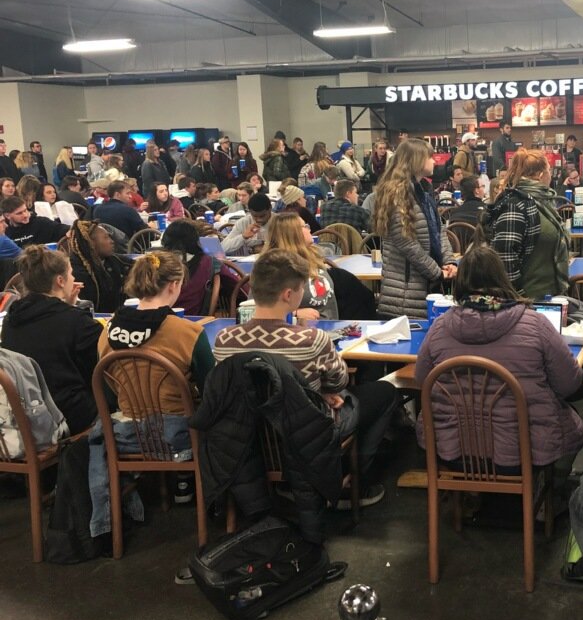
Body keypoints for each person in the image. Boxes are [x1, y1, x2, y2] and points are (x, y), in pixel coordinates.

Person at [213, 249, 397, 507]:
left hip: (249, 435)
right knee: (384, 393)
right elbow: (340, 381)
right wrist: (322, 392)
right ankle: (355, 481)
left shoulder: (224, 340)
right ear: (289, 295)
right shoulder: (311, 340)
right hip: (306, 436)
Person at [414, 245, 583, 470]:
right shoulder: (535, 324)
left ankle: (466, 494)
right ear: (503, 278)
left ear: (460, 283)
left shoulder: (439, 328)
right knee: (571, 421)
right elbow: (569, 384)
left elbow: (422, 381)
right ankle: (552, 492)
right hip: (525, 452)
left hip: (454, 450)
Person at [94, 250, 215, 510]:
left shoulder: (106, 333)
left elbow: (111, 390)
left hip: (126, 433)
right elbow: (211, 390)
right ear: (174, 285)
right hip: (180, 435)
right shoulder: (188, 332)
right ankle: (203, 489)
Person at [1, 246, 102, 434]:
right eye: (71, 274)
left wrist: (66, 307)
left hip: (24, 418)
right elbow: (99, 374)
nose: (74, 279)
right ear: (60, 280)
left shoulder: (10, 320)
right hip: (68, 416)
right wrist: (71, 311)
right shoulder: (78, 323)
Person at [374, 139, 456, 317]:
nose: (435, 161)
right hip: (405, 295)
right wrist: (437, 272)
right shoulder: (396, 193)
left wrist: (449, 261)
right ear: (417, 160)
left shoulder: (424, 191)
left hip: (427, 287)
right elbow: (407, 244)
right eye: (430, 157)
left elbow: (439, 230)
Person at [481, 149, 569, 300]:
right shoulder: (515, 204)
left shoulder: (541, 202)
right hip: (526, 301)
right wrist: (519, 298)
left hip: (546, 297)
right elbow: (504, 256)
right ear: (541, 175)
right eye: (549, 170)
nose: (550, 175)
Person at [262, 213, 337, 318]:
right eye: (304, 226)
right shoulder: (272, 268)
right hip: (295, 331)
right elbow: (254, 308)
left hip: (330, 329)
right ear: (293, 233)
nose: (309, 229)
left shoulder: (313, 256)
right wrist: (293, 314)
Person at [66, 220, 130, 313]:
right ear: (91, 243)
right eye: (106, 237)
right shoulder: (77, 272)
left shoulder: (111, 259)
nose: (112, 241)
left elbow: (133, 265)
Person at [160, 220, 216, 315]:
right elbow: (239, 287)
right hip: (195, 318)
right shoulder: (209, 261)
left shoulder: (158, 262)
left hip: (157, 316)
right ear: (195, 239)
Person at [1, 195, 68, 248]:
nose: (25, 215)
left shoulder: (42, 223)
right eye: (19, 213)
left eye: (25, 210)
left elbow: (63, 229)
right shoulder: (4, 230)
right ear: (7, 216)